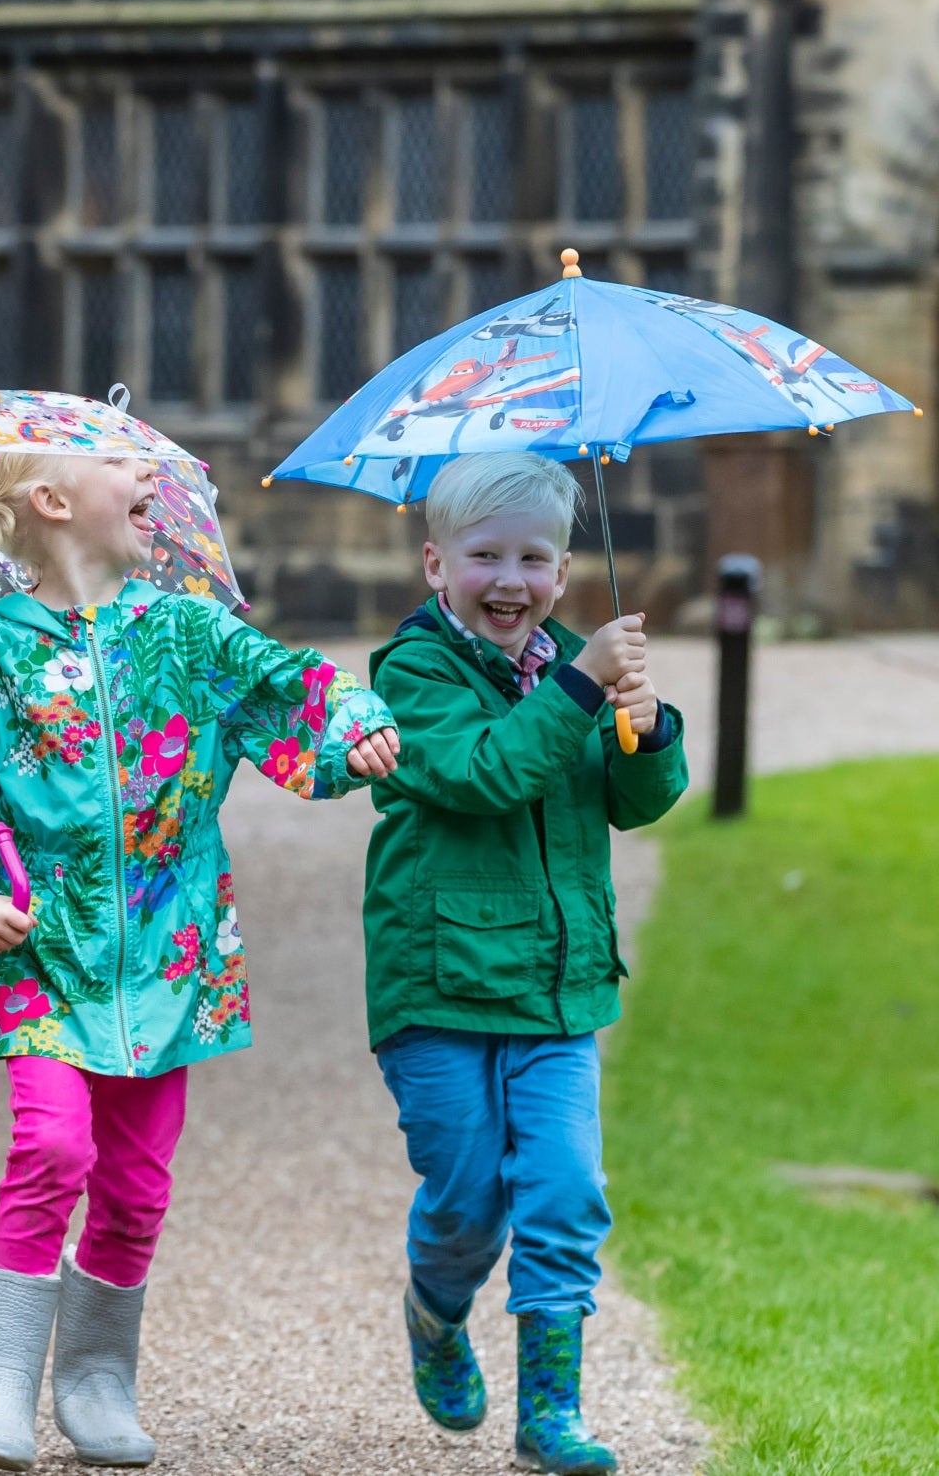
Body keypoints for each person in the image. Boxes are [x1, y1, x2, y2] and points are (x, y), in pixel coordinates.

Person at [0, 451, 402, 1470]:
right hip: (45, 955)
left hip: (167, 961)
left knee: (134, 1187)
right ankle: (0, 1378)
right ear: (50, 502)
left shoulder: (184, 631)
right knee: (53, 1150)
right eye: (117, 462)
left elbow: (286, 686)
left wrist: (353, 731)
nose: (144, 475)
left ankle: (94, 1378)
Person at [358, 452, 687, 1475]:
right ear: (434, 564)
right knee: (468, 1198)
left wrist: (644, 731)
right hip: (442, 984)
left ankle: (552, 1413)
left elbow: (635, 805)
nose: (510, 581)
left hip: (556, 987)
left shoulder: (577, 667)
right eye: (484, 556)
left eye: (534, 558)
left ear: (565, 566)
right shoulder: (410, 674)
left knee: (564, 1190)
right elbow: (484, 772)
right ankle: (436, 1309)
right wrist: (585, 685)